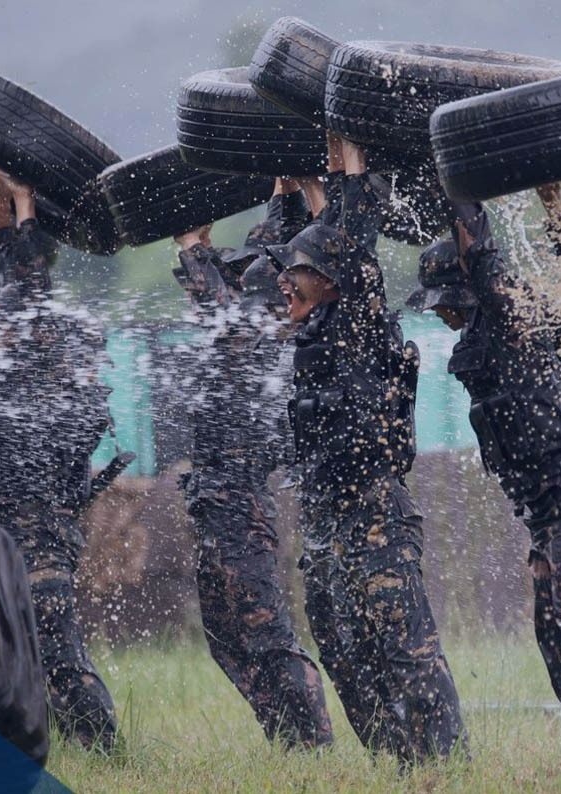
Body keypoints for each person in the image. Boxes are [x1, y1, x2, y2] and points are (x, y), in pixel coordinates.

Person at [405, 198, 561, 777]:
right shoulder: (485, 329)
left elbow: (483, 255)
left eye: (446, 300)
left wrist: (455, 182)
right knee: (557, 641)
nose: (440, 313)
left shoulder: (509, 313)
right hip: (547, 514)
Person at [272, 133, 466, 764]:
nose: (283, 284)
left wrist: (349, 153)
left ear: (331, 280)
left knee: (406, 646)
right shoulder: (314, 332)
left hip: (374, 512)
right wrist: (303, 183)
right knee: (343, 644)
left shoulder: (360, 318)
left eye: (297, 274)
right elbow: (318, 239)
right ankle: (399, 760)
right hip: (328, 517)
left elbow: (350, 241)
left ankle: (447, 764)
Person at [170, 178, 333, 750]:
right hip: (218, 505)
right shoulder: (249, 324)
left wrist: (191, 247)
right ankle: (289, 740)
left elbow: (219, 305)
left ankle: (314, 747)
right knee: (225, 636)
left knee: (268, 635)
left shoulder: (252, 336)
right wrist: (282, 185)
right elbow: (268, 251)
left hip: (240, 506)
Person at [0, 164, 119, 752]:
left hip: (41, 529)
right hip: (3, 526)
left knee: (55, 644)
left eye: (2, 328)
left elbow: (30, 292)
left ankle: (103, 747)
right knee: (9, 646)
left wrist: (26, 207)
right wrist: (0, 217)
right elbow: (13, 288)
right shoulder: (8, 373)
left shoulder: (44, 377)